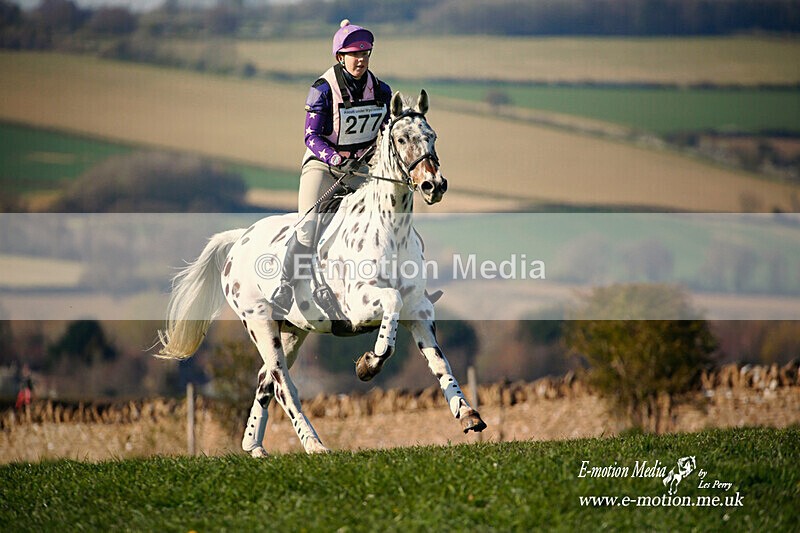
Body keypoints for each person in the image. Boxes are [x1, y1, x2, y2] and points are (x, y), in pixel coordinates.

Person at [271, 19, 392, 317]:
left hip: (362, 170)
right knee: (307, 228)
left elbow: (385, 133)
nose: (361, 60)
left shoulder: (381, 90)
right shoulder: (323, 89)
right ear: (340, 57)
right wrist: (335, 158)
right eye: (354, 54)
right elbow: (310, 136)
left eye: (365, 54)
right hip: (324, 167)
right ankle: (285, 287)